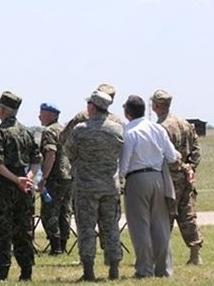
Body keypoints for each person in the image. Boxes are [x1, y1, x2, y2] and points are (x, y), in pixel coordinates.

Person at [64, 90, 124, 282]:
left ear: (92, 106)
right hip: (109, 185)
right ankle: (114, 270)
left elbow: (69, 152)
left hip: (85, 187)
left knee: (86, 229)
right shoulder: (117, 129)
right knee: (111, 228)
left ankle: (89, 271)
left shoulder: (80, 130)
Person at [120, 94, 180, 279]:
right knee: (160, 226)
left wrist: (120, 179)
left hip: (137, 179)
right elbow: (172, 156)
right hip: (158, 178)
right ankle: (163, 269)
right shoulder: (157, 129)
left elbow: (124, 163)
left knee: (140, 226)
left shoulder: (129, 132)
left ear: (127, 112)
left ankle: (145, 269)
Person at [0, 91, 40, 282]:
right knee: (24, 230)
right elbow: (36, 160)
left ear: (2, 110)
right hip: (24, 188)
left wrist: (17, 180)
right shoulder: (27, 132)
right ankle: (26, 272)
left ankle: (2, 273)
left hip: (4, 188)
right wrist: (28, 178)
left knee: (1, 231)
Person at [151, 89, 204, 265]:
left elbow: (166, 156)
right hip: (186, 179)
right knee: (187, 215)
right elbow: (196, 149)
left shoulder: (161, 127)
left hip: (169, 177)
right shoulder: (185, 123)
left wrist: (183, 167)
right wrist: (191, 169)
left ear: (157, 106)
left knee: (164, 216)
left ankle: (162, 257)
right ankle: (195, 255)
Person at [37, 102, 72, 256]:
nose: (39, 116)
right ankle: (63, 244)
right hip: (69, 176)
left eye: (42, 113)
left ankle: (56, 246)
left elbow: (50, 154)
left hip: (55, 177)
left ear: (51, 115)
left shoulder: (49, 132)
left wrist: (44, 177)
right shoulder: (65, 129)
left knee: (49, 212)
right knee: (65, 211)